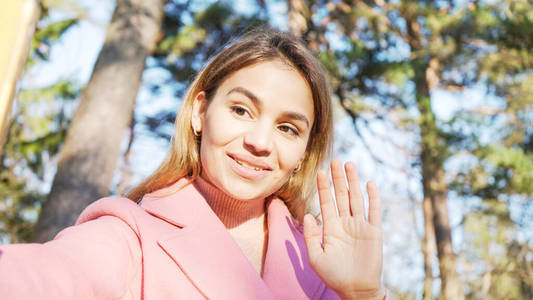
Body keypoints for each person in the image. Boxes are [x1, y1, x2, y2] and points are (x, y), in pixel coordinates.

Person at [0, 27, 388, 300]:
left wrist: (364, 295)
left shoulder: (322, 266)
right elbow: (45, 276)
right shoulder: (132, 236)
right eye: (241, 110)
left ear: (304, 150)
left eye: (287, 128)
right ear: (200, 112)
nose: (259, 142)